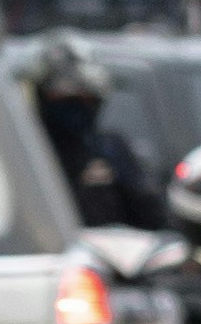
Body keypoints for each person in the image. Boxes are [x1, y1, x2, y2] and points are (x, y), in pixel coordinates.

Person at [29, 37, 162, 232]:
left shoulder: (109, 148)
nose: (78, 107)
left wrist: (131, 186)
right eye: (66, 98)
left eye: (87, 98)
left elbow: (153, 218)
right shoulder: (28, 152)